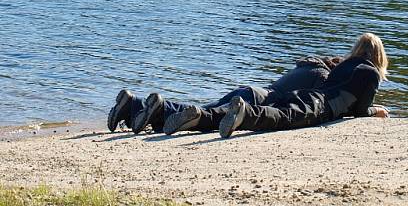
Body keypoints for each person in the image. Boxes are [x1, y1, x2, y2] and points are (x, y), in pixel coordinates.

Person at [167, 32, 389, 139]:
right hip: (322, 107)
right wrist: (375, 110)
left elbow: (339, 90)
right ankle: (245, 114)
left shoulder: (344, 65)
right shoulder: (371, 74)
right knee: (283, 118)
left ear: (357, 48)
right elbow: (360, 110)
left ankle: (201, 116)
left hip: (307, 94)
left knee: (281, 109)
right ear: (380, 57)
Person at [107, 55, 341, 135]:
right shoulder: (322, 76)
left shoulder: (306, 66)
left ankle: (134, 104)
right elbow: (308, 103)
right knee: (205, 115)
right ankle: (158, 108)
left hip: (249, 90)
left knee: (204, 109)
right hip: (256, 100)